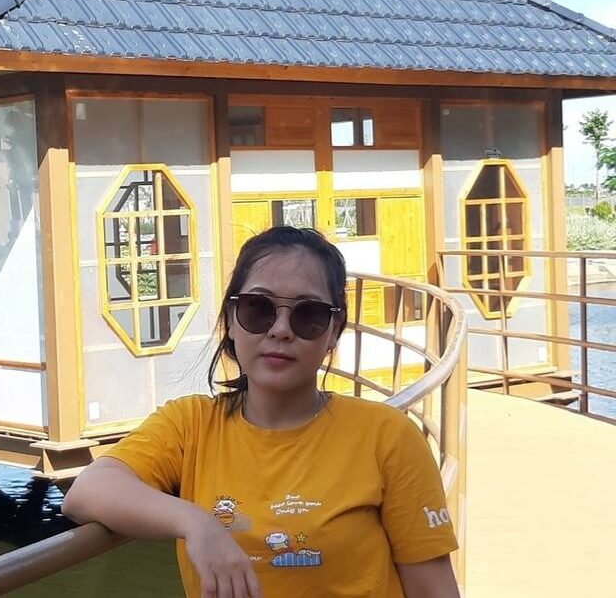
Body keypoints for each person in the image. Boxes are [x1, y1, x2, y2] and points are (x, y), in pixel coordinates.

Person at [63, 227, 459, 598]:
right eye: (259, 308)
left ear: (334, 330)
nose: (281, 329)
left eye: (308, 314)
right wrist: (195, 523)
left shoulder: (387, 436)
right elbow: (87, 491)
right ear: (231, 321)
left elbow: (433, 590)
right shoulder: (190, 425)